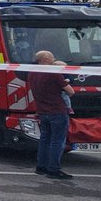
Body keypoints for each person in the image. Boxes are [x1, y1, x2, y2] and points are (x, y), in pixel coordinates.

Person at [28, 50, 75, 179]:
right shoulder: (54, 73)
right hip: (57, 111)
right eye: (52, 57)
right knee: (57, 141)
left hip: (42, 111)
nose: (54, 59)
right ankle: (53, 169)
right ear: (45, 60)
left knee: (44, 139)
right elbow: (71, 91)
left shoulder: (32, 73)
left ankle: (41, 166)